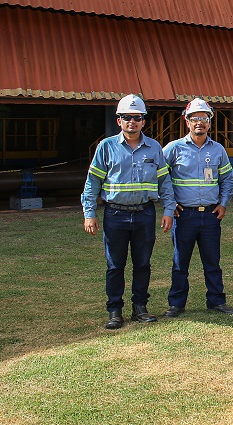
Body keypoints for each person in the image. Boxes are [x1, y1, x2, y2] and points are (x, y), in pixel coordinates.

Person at [82, 94, 175, 329]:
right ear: (118, 121)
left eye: (136, 118)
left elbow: (165, 183)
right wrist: (89, 213)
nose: (131, 122)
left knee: (143, 264)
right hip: (115, 214)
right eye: (126, 117)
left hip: (145, 213)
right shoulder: (106, 147)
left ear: (144, 121)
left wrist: (168, 210)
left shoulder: (154, 148)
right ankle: (115, 311)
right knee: (115, 265)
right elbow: (92, 183)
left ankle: (140, 308)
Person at [160, 98, 233, 318]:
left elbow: (227, 179)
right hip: (184, 215)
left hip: (211, 216)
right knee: (180, 262)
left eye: (204, 118)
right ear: (187, 121)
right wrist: (169, 203)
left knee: (212, 262)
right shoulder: (174, 149)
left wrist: (223, 204)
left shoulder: (218, 150)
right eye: (195, 118)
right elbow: (159, 176)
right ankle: (176, 303)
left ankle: (216, 301)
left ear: (210, 122)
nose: (199, 123)